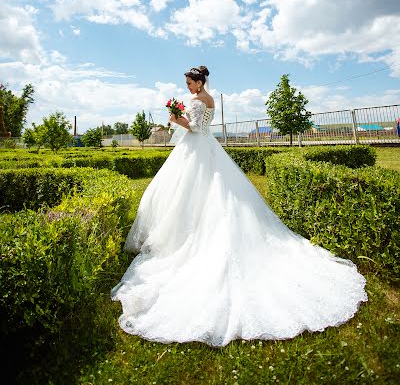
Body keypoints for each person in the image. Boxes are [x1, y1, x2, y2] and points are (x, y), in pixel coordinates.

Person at [111, 66, 368, 347]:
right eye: (186, 83)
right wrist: (181, 116)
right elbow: (203, 126)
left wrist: (175, 118)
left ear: (199, 82)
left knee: (186, 191)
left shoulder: (198, 101)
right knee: (207, 190)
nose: (187, 87)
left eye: (189, 82)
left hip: (196, 147)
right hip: (207, 147)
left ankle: (184, 236)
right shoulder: (210, 99)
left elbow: (195, 128)